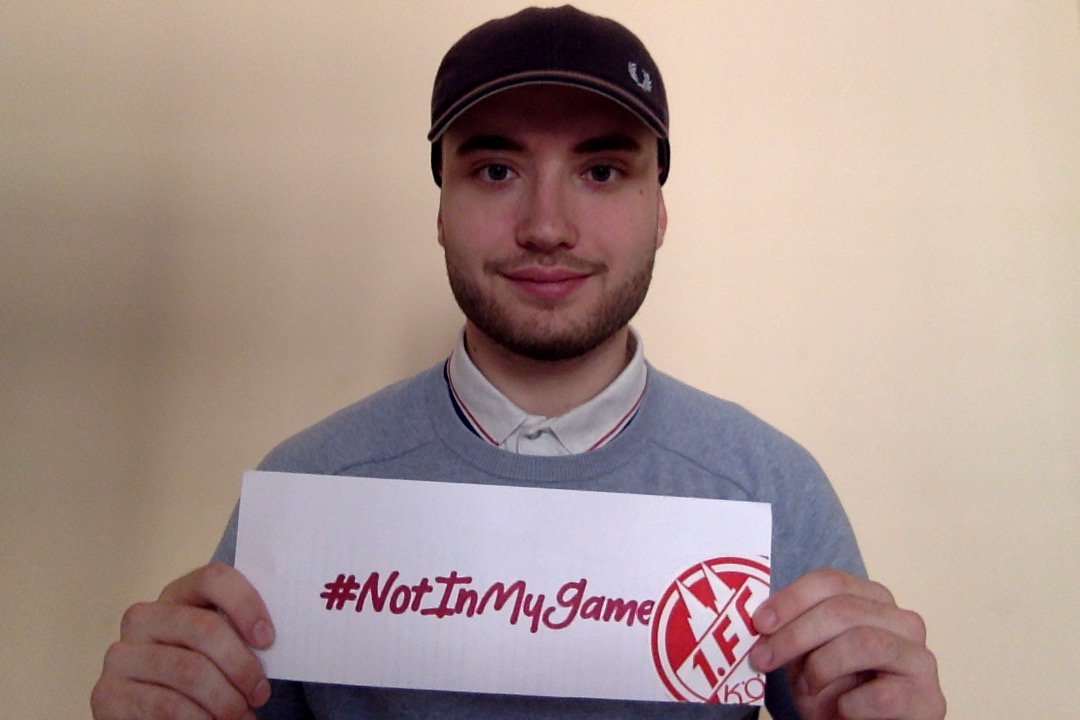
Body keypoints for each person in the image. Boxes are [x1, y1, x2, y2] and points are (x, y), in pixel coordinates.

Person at [91, 6, 945, 720]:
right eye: (496, 169)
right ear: (440, 208)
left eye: (601, 171)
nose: (546, 226)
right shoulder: (311, 489)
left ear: (659, 210)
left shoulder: (770, 490)